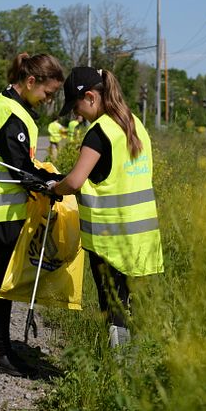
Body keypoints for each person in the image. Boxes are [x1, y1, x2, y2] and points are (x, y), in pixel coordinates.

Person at [0, 52, 64, 376]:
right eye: (47, 93)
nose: (48, 100)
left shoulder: (9, 105)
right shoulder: (12, 112)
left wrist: (43, 178)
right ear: (31, 81)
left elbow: (19, 163)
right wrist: (51, 185)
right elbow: (18, 166)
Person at [49, 67, 164, 347]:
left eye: (76, 106)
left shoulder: (99, 132)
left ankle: (119, 369)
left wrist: (55, 187)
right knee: (138, 307)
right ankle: (139, 364)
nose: (77, 114)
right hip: (143, 236)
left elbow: (75, 181)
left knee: (115, 307)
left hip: (110, 239)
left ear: (90, 97)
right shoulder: (134, 123)